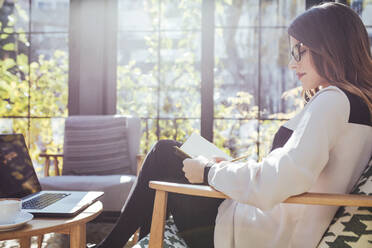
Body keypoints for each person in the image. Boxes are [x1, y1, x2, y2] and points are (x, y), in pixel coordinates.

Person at [92, 2, 372, 248]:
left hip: (254, 231)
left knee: (165, 154)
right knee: (181, 151)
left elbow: (282, 180)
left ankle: (111, 246)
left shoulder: (333, 101)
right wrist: (223, 167)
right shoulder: (357, 105)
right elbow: (291, 170)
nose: (291, 63)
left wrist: (210, 171)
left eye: (299, 50)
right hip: (265, 220)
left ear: (330, 47)